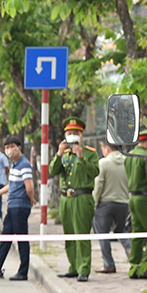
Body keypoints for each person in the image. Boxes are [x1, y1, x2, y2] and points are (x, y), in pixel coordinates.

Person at [49, 117, 100, 281]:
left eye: (75, 133)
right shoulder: (64, 154)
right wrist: (58, 154)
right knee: (69, 235)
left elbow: (94, 172)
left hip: (82, 197)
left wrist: (81, 157)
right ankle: (73, 266)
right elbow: (52, 170)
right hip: (66, 199)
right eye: (69, 133)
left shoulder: (90, 153)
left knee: (82, 235)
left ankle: (84, 268)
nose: (72, 136)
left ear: (82, 135)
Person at [0, 135, 35, 280]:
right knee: (5, 238)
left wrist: (31, 199)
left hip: (19, 206)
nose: (9, 150)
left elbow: (29, 186)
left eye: (12, 147)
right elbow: (11, 185)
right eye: (7, 147)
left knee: (22, 239)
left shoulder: (24, 164)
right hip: (13, 206)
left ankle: (23, 271)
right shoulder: (14, 164)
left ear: (19, 147)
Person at [126, 128, 147, 279]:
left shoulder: (129, 155)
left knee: (138, 234)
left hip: (133, 198)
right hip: (146, 199)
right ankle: (145, 266)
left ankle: (134, 266)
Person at [92, 139, 131, 274]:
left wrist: (94, 202)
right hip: (123, 203)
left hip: (105, 204)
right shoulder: (127, 161)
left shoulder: (103, 163)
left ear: (107, 149)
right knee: (121, 230)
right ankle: (130, 251)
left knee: (103, 234)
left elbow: (99, 185)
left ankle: (109, 264)